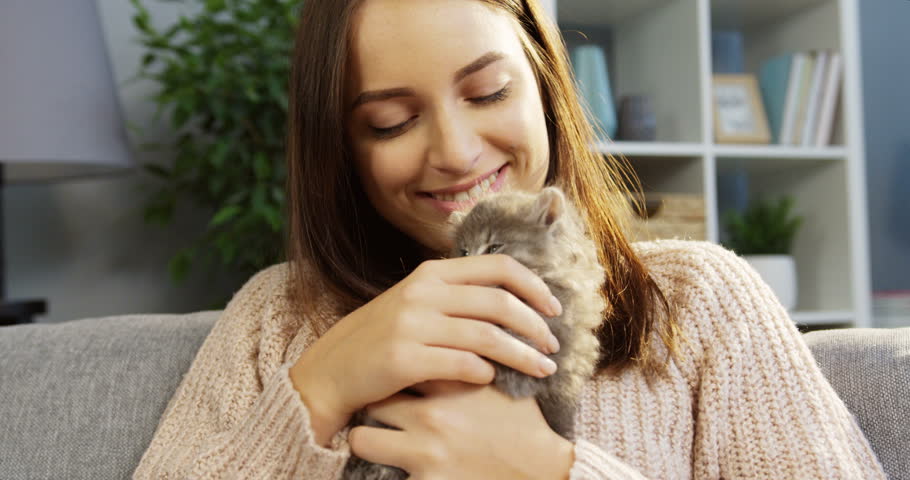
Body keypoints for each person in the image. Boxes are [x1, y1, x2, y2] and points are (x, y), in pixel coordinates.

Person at [133, 0, 887, 478]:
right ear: (340, 148)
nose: (457, 151)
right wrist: (322, 387)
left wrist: (546, 471)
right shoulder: (279, 318)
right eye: (390, 122)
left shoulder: (694, 302)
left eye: (488, 91)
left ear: (543, 82)